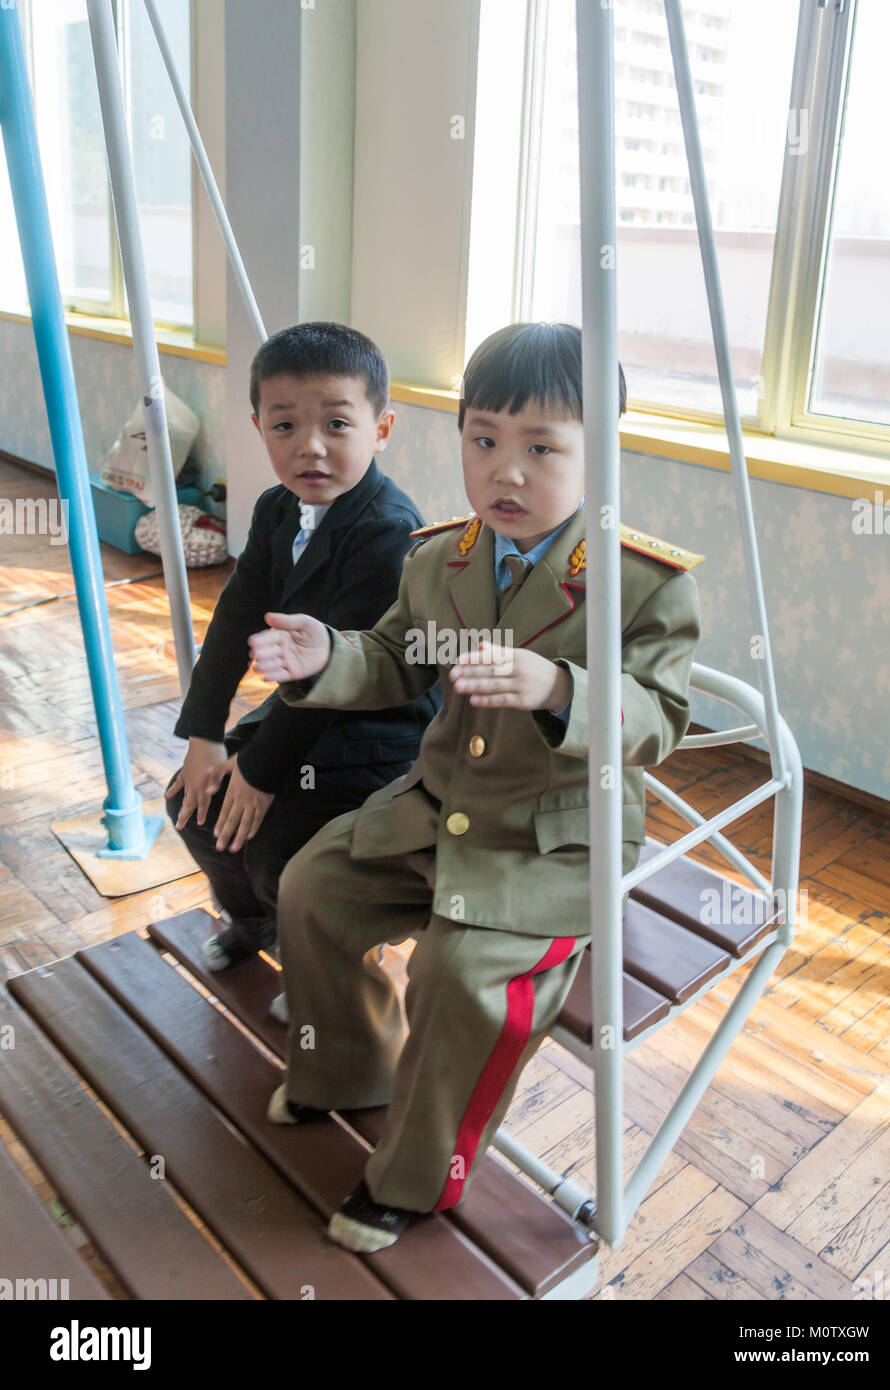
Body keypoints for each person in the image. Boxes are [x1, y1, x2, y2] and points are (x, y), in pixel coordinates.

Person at [248, 322, 703, 1252]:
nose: (506, 471)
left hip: (550, 845)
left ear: (601, 457)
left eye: (542, 447)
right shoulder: (439, 558)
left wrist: (564, 689)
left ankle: (416, 1179)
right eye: (484, 438)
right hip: (436, 812)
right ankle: (345, 1071)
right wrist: (323, 655)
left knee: (454, 976)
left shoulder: (636, 584)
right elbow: (390, 658)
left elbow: (657, 716)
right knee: (311, 884)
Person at [165, 322, 440, 974]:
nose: (310, 447)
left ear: (381, 429)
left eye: (337, 425)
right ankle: (256, 925)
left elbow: (345, 683)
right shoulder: (274, 508)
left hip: (377, 731)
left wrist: (259, 773)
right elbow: (236, 616)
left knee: (279, 852)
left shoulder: (388, 531)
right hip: (298, 718)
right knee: (192, 806)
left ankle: (326, 970)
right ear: (258, 427)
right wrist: (204, 732)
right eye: (285, 426)